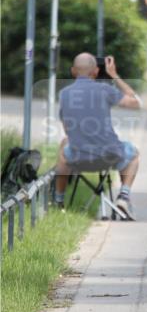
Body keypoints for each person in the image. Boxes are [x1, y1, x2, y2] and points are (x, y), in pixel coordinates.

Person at [54, 53, 141, 220]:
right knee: (134, 154)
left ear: (73, 71)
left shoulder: (64, 94)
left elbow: (67, 130)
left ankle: (58, 201)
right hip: (110, 156)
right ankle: (123, 197)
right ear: (95, 71)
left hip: (79, 158)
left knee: (63, 148)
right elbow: (136, 102)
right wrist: (114, 75)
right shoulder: (105, 90)